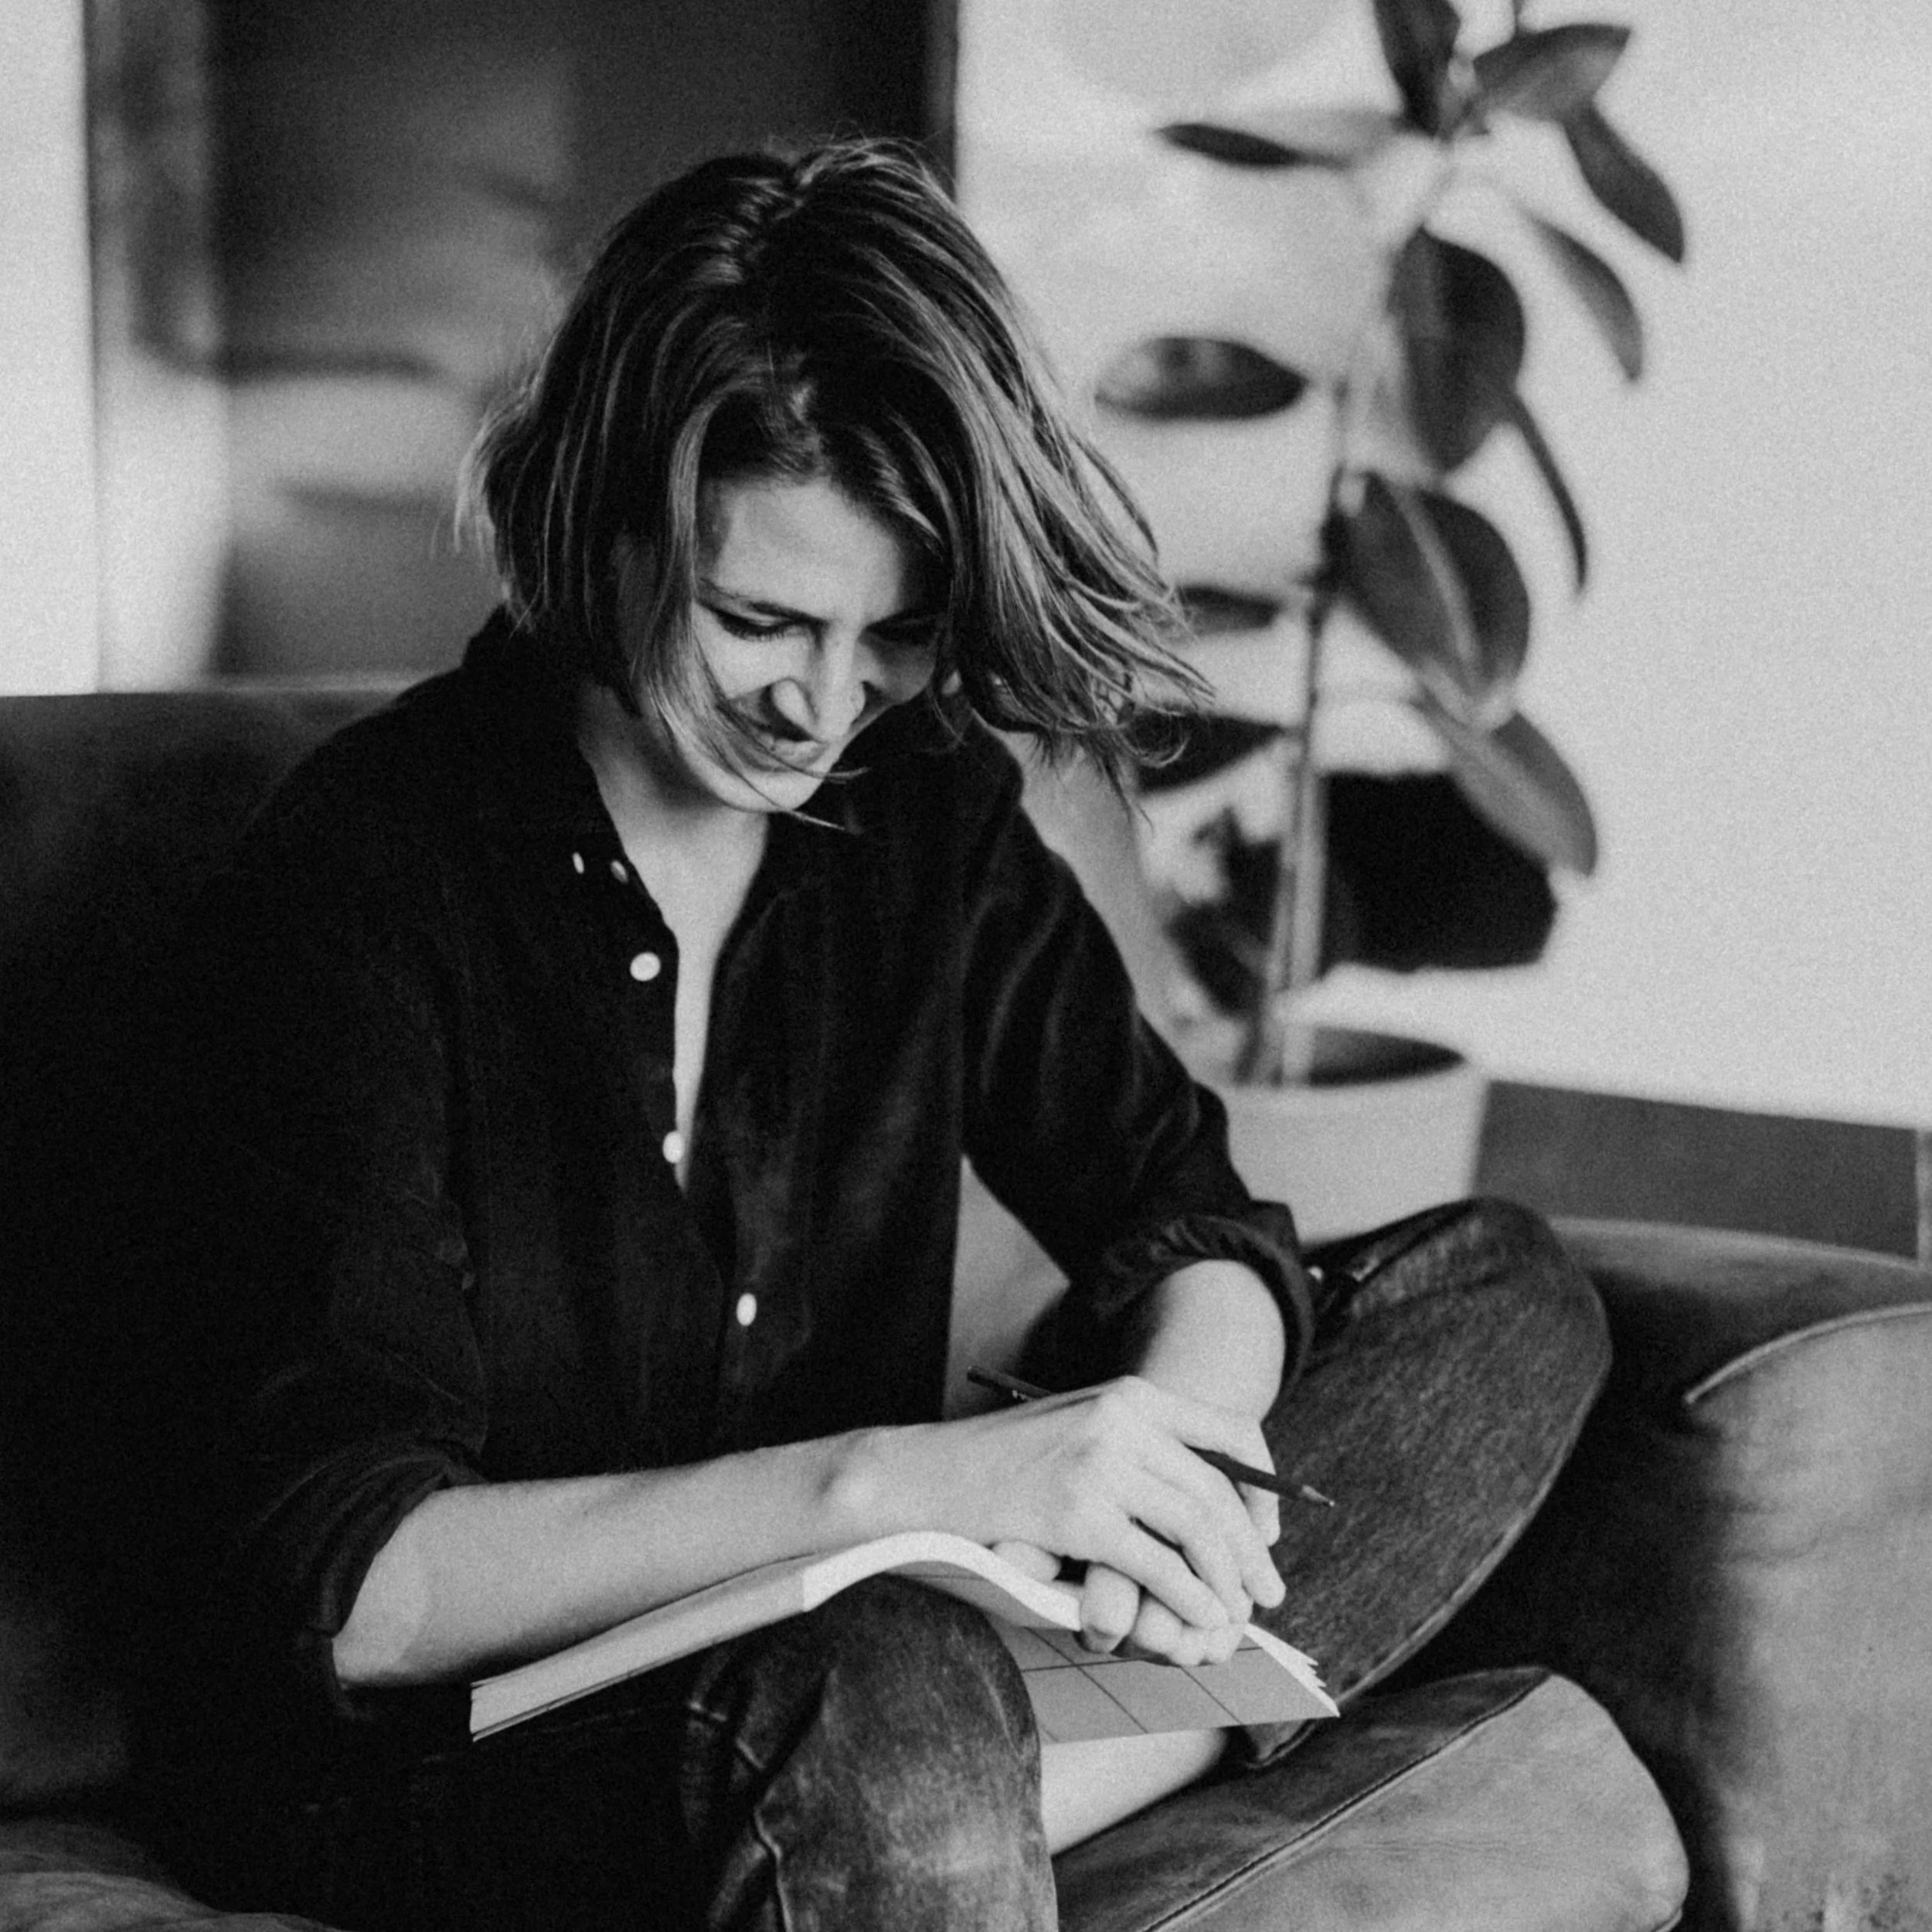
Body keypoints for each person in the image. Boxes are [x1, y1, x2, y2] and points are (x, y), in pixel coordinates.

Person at [121, 141, 1607, 1931]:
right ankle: (964, 1786)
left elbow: (1182, 1207)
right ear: (603, 526)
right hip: (473, 1760)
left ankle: (967, 1795)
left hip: (860, 1666)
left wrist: (1172, 1464)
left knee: (1493, 1298)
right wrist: (900, 1485)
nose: (823, 706)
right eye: (758, 619)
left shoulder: (917, 807)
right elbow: (354, 1584)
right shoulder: (362, 876)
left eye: (894, 633)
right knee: (882, 1683)